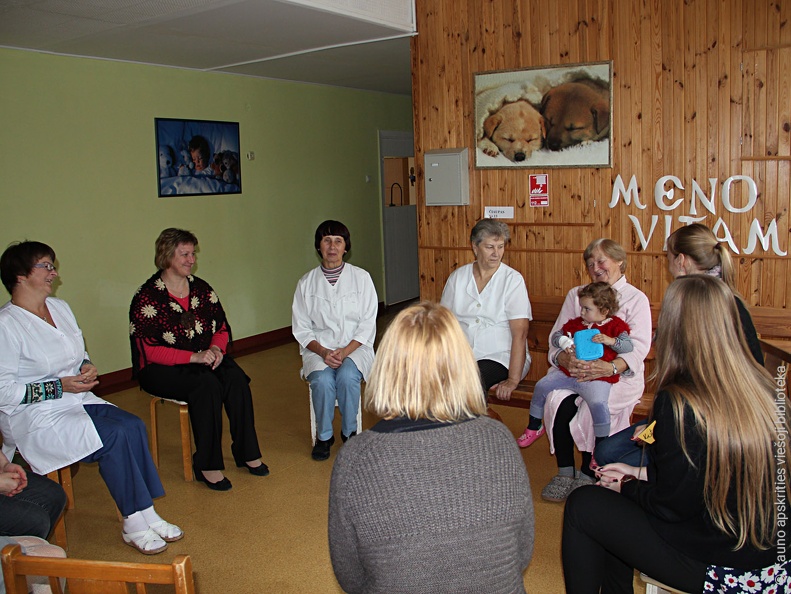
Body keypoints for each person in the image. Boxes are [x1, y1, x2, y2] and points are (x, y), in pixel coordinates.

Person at [562, 274, 787, 593]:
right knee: (613, 502)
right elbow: (703, 476)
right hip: (772, 559)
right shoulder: (765, 388)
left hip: (725, 569)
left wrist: (626, 485)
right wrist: (635, 472)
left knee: (584, 505)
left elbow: (671, 506)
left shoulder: (681, 402)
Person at [329, 302, 534, 593]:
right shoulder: (499, 438)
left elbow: (350, 575)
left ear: (387, 368)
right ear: (464, 365)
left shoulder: (357, 457)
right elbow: (521, 550)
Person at [0, 241, 182, 555]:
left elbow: (78, 352)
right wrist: (60, 387)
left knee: (132, 425)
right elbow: (4, 392)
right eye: (46, 266)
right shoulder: (6, 324)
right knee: (113, 436)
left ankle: (146, 511)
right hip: (34, 416)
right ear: (20, 275)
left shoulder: (60, 307)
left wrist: (86, 366)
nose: (54, 273)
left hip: (76, 399)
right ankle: (133, 522)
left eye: (53, 265)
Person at [594, 223, 765, 468]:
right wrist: (655, 424)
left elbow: (696, 390)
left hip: (712, 423)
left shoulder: (695, 305)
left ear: (681, 260)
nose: (667, 264)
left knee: (612, 458)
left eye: (668, 257)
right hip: (694, 411)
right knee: (607, 451)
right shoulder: (726, 297)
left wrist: (658, 429)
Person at [130, 228, 267, 491]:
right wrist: (194, 357)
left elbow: (221, 328)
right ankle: (207, 464)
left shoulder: (202, 289)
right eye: (185, 254)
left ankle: (246, 451)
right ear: (167, 256)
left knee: (235, 378)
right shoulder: (147, 297)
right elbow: (150, 351)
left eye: (193, 254)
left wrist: (215, 349)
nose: (191, 260)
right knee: (206, 385)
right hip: (160, 368)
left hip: (203, 358)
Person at [538, 238, 651, 503]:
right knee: (556, 400)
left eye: (601, 261)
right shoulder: (577, 294)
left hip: (617, 375)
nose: (596, 268)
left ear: (619, 261)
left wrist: (609, 367)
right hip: (576, 371)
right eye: (590, 264)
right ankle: (565, 471)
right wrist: (564, 360)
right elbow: (557, 337)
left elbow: (638, 348)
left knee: (592, 406)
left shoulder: (636, 298)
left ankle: (589, 472)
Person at [292, 220, 377, 461]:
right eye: (326, 240)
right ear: (318, 246)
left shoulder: (361, 278)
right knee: (322, 380)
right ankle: (324, 436)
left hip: (355, 347)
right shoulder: (306, 283)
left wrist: (344, 351)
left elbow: (367, 323)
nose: (332, 246)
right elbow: (301, 328)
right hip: (318, 349)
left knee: (348, 377)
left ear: (345, 247)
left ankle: (350, 433)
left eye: (338, 241)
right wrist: (323, 352)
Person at [517, 282, 632, 448]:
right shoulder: (576, 324)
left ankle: (601, 444)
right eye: (582, 308)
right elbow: (556, 337)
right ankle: (534, 425)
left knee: (599, 404)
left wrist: (611, 341)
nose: (582, 312)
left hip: (598, 377)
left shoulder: (616, 326)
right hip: (569, 373)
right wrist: (564, 342)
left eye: (587, 309)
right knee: (542, 385)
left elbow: (628, 346)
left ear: (604, 311)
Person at [440, 219, 531, 401]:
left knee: (471, 382)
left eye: (500, 247)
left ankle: (475, 420)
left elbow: (520, 334)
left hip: (501, 357)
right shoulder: (457, 278)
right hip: (462, 356)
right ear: (475, 247)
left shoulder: (512, 280)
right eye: (490, 247)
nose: (496, 253)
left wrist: (512, 380)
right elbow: (443, 325)